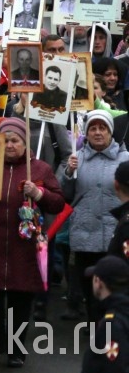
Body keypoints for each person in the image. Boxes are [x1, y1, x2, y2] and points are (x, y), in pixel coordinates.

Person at [0, 117, 64, 368]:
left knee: (20, 300)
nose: (10, 145)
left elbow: (58, 202)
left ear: (25, 143)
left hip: (24, 246)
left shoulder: (40, 170)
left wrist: (39, 193)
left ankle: (16, 349)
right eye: (5, 141)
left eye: (15, 140)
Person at [60, 109, 129, 321]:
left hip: (115, 237)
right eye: (93, 128)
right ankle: (95, 332)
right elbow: (65, 195)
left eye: (102, 128)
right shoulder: (76, 158)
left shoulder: (125, 158)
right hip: (85, 235)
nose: (98, 133)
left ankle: (114, 334)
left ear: (110, 132)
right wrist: (68, 174)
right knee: (91, 292)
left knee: (116, 291)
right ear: (87, 133)